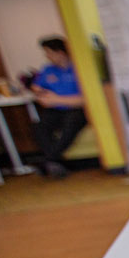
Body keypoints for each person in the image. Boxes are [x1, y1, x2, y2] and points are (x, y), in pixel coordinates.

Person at [29, 36, 87, 179]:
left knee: (72, 123)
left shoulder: (78, 68)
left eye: (49, 53)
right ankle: (54, 161)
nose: (47, 56)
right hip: (55, 109)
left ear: (60, 53)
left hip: (75, 109)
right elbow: (36, 87)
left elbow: (85, 98)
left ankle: (49, 161)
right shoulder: (48, 69)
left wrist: (58, 99)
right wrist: (42, 94)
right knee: (39, 126)